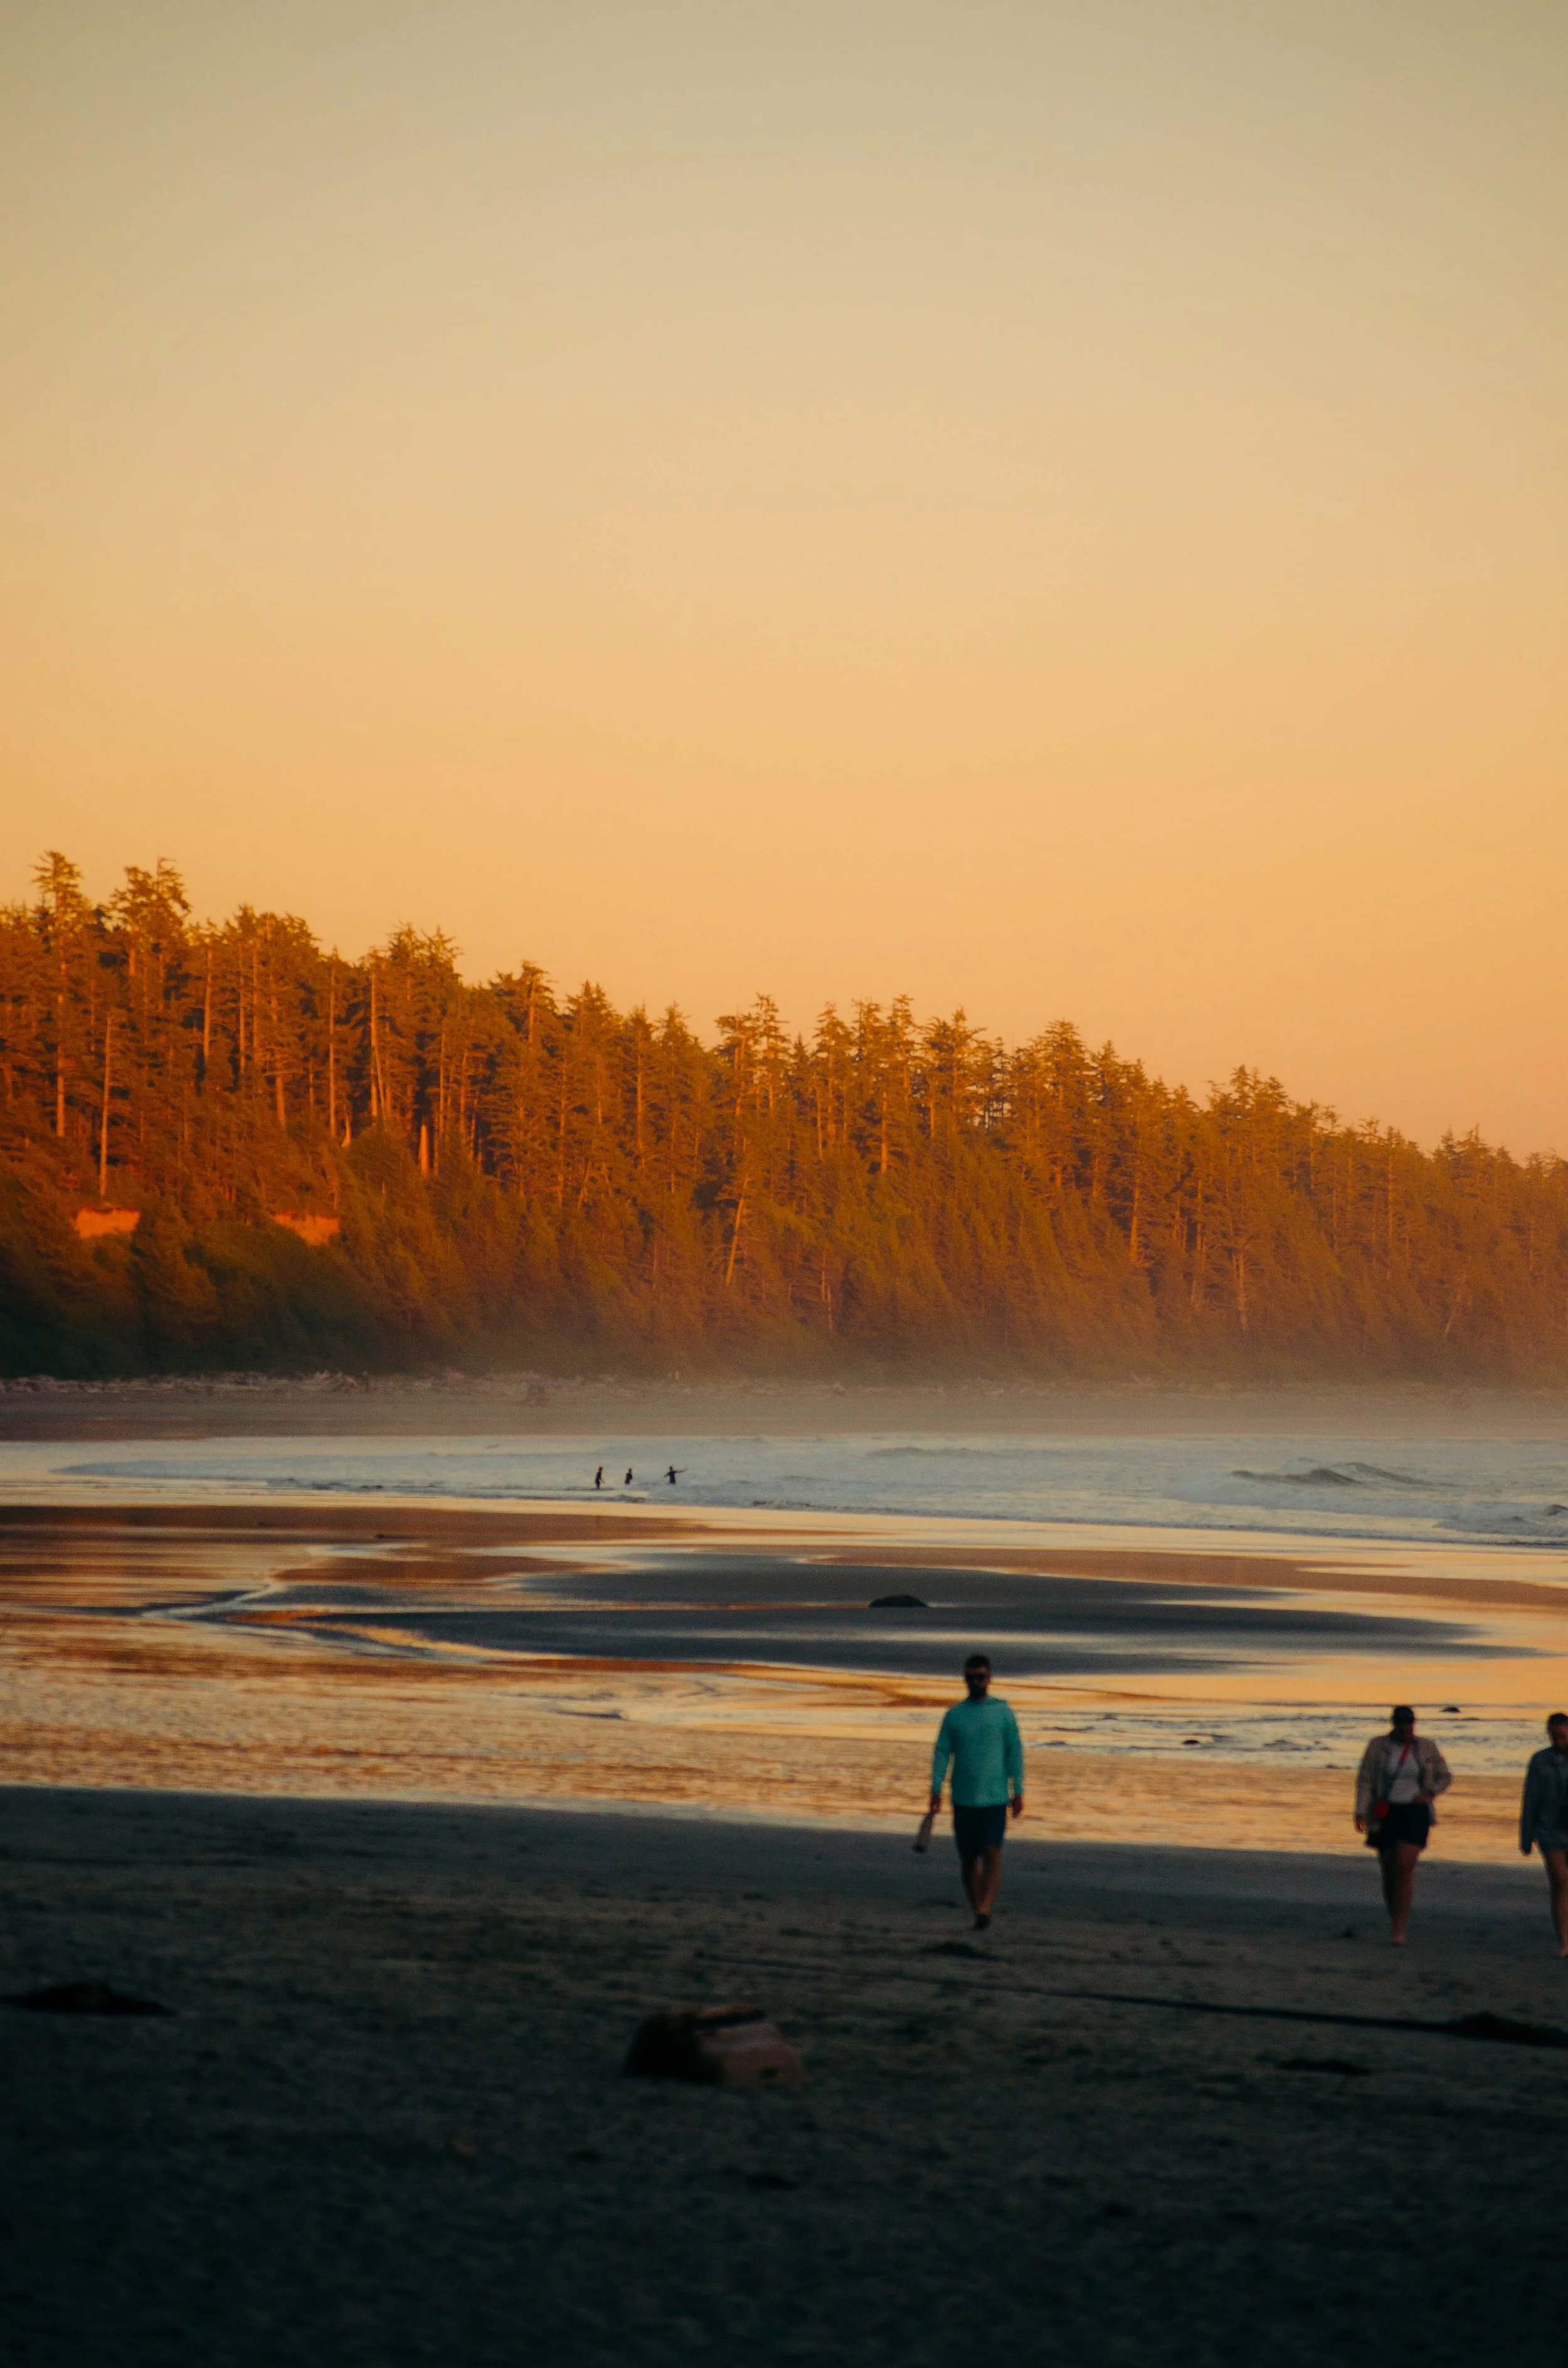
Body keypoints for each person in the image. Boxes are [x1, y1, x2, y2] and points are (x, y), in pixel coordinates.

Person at [928, 1654, 1024, 1931]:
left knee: (992, 1852)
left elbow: (1015, 1752)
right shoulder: (955, 1715)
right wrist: (935, 1789)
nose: (975, 1682)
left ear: (989, 1678)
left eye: (980, 1677)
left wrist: (1018, 1790)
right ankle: (978, 1910)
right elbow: (942, 1753)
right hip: (964, 1798)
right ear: (965, 1679)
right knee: (969, 1859)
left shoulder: (1003, 1713)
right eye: (970, 1677)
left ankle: (985, 1907)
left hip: (995, 1798)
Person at [1353, 1705, 1451, 1946]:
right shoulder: (1378, 1746)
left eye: (1411, 1723)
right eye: (1403, 1724)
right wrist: (1360, 1811)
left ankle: (1399, 1929)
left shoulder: (1426, 1747)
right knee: (1388, 1869)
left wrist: (1429, 1794)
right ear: (1394, 1724)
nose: (1408, 1728)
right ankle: (1396, 1916)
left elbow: (1444, 1776)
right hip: (1385, 1811)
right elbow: (1365, 1779)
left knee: (1404, 1867)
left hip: (1415, 1811)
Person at [1518, 1712, 1568, 1958]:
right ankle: (1564, 1942)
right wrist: (1526, 1836)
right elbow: (1530, 1799)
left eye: (1563, 1736)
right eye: (1555, 1736)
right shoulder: (1539, 1761)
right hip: (1549, 1830)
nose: (1559, 1741)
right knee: (1560, 1881)